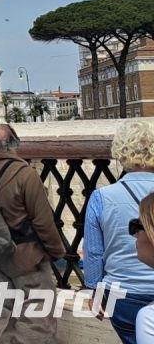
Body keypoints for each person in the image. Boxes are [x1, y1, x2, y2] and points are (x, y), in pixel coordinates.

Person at [0, 124, 65, 344]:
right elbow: (43, 222)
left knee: (4, 307)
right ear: (14, 144)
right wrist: (56, 252)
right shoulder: (24, 174)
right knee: (38, 314)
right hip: (27, 257)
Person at [83, 120, 154, 344]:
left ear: (121, 155)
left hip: (122, 294)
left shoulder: (101, 197)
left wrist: (95, 292)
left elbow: (93, 252)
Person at [132, 193, 154, 342]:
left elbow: (94, 252)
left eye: (138, 226)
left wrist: (96, 291)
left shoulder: (149, 319)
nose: (134, 234)